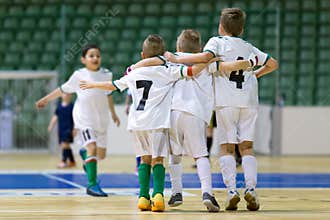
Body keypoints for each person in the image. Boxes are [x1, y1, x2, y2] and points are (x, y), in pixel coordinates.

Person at [79, 34, 221, 212]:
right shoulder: (167, 70)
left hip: (137, 122)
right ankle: (158, 196)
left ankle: (143, 197)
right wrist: (208, 61)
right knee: (158, 160)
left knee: (143, 159)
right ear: (162, 55)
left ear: (142, 55)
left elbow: (113, 86)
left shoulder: (134, 72)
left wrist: (92, 85)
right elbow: (191, 71)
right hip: (157, 122)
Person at [165, 8, 278, 211]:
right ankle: (251, 189)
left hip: (227, 101)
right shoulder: (249, 46)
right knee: (247, 147)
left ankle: (232, 191)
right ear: (241, 29)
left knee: (226, 147)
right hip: (249, 100)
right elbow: (273, 64)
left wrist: (176, 59)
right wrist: (255, 74)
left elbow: (204, 58)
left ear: (220, 27)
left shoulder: (216, 42)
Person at [36, 44, 120, 197]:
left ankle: (83, 152)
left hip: (101, 119)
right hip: (84, 119)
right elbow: (62, 90)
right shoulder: (79, 75)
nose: (95, 58)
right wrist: (46, 99)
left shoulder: (107, 74)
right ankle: (92, 185)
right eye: (91, 56)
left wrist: (114, 114)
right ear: (83, 59)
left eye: (98, 56)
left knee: (100, 155)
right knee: (92, 149)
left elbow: (108, 95)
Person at [47, 93, 75, 168]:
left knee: (64, 144)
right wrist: (51, 125)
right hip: (61, 129)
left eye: (68, 94)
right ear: (61, 96)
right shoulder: (59, 107)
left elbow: (76, 118)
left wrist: (75, 129)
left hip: (69, 129)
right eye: (65, 94)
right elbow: (55, 117)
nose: (66, 95)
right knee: (66, 146)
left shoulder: (72, 107)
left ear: (70, 96)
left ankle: (64, 161)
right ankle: (72, 161)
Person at [124, 89, 141, 175]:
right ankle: (138, 165)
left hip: (148, 113)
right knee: (139, 142)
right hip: (136, 113)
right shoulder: (133, 78)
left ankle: (143, 165)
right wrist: (126, 105)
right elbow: (129, 93)